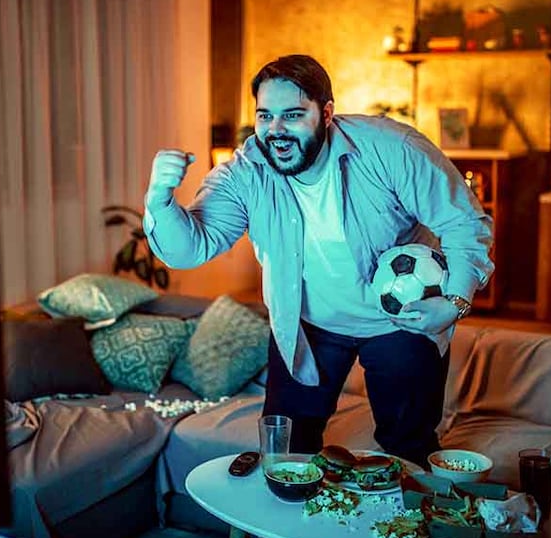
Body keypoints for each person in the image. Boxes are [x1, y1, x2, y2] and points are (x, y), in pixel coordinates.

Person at [143, 54, 493, 468]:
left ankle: (404, 530)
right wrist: (159, 199)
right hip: (306, 324)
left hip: (401, 321)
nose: (276, 131)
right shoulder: (247, 171)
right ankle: (283, 533)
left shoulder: (391, 148)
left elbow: (464, 221)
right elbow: (193, 246)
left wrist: (453, 303)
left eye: (292, 115)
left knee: (408, 445)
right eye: (265, 115)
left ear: (326, 113)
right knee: (287, 447)